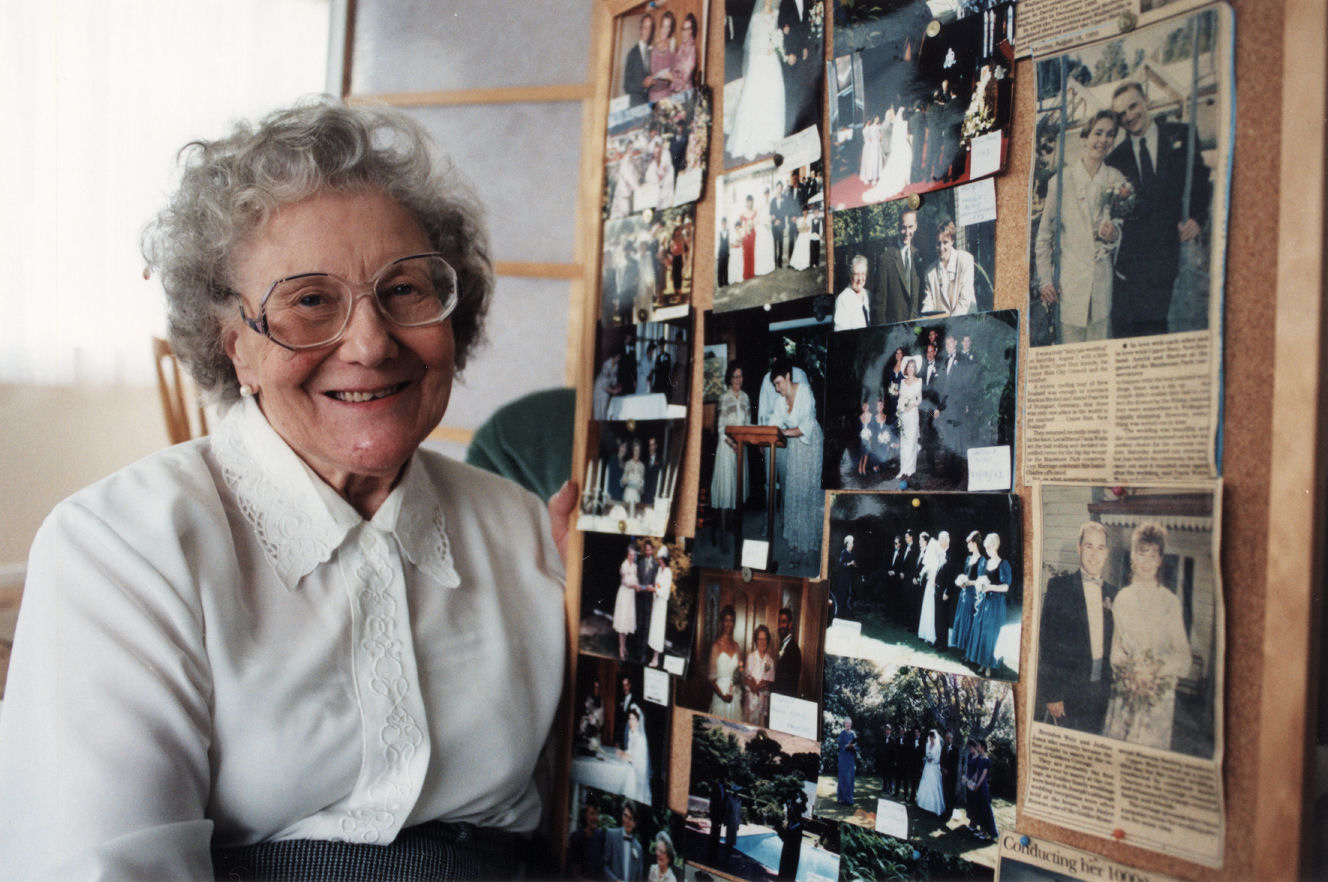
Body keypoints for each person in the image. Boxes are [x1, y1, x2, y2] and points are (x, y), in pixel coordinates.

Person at [0, 100, 578, 880]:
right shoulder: (122, 546)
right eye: (309, 301)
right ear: (234, 348)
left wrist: (603, 626)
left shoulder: (525, 533)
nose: (370, 344)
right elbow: (103, 866)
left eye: (405, 290)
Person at [1105, 81, 1212, 338]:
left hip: (1175, 249)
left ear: (1147, 101)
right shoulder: (1116, 159)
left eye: (1133, 106)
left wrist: (1197, 218)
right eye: (1122, 113)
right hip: (1135, 267)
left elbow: (1200, 180)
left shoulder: (1181, 135)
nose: (1130, 116)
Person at [1035, 109, 1127, 343]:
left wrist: (1115, 234)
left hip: (1101, 287)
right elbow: (1044, 237)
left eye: (1109, 134)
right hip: (1069, 287)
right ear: (1085, 137)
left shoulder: (1116, 179)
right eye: (1098, 132)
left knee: (1100, 350)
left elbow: (1121, 229)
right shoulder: (1060, 182)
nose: (1103, 140)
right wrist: (1046, 280)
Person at [1102, 522, 1192, 750]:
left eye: (1153, 556)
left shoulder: (1170, 603)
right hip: (1126, 695)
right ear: (1133, 556)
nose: (1146, 562)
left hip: (1156, 700)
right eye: (1141, 554)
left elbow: (1184, 661)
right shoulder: (1122, 599)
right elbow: (1115, 653)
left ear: (1160, 560)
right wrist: (1130, 672)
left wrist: (1152, 672)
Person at [1037, 521, 1117, 734]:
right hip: (1068, 695)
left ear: (1106, 553)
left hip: (1102, 695)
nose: (1094, 554)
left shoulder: (1114, 594)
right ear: (1079, 548)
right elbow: (1047, 644)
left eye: (1100, 547)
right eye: (1089, 546)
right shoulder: (1059, 587)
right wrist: (1053, 694)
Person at [771, 358, 824, 565]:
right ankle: (796, 540)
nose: (777, 389)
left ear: (788, 377)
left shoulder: (805, 392)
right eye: (775, 385)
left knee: (807, 492)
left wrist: (782, 432)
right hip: (795, 447)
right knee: (794, 491)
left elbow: (806, 427)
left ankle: (805, 544)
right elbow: (773, 425)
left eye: (778, 383)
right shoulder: (780, 401)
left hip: (811, 445)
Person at [728, 0, 786, 161]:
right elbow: (752, 42)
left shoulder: (777, 14)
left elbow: (778, 34)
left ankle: (772, 138)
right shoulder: (756, 18)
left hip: (772, 60)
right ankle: (754, 140)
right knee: (756, 97)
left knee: (775, 94)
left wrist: (776, 46)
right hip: (759, 60)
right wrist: (763, 50)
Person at [711, 363, 750, 551]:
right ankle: (723, 534)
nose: (738, 380)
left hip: (741, 449)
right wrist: (733, 445)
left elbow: (748, 425)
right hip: (727, 450)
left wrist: (743, 444)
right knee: (725, 492)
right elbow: (721, 429)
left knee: (737, 491)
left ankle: (734, 528)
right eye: (735, 376)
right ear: (729, 378)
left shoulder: (746, 397)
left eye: (740, 376)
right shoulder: (724, 398)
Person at [967, 532, 1012, 677]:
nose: (986, 550)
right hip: (984, 602)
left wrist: (990, 587)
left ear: (995, 546)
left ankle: (989, 666)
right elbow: (980, 580)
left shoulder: (1003, 564)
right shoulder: (985, 563)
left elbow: (1005, 587)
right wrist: (980, 587)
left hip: (996, 604)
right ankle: (982, 662)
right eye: (986, 547)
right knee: (981, 632)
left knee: (991, 634)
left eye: (988, 547)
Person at [873, 210, 923, 325]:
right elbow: (879, 304)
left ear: (916, 226)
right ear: (898, 227)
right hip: (894, 328)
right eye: (903, 228)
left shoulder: (918, 256)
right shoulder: (885, 258)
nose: (907, 232)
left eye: (910, 227)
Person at [921, 220, 975, 316]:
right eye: (938, 243)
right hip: (942, 322)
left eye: (945, 242)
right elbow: (928, 303)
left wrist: (950, 322)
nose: (941, 248)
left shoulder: (965, 260)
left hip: (966, 318)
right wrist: (925, 319)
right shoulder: (929, 272)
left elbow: (965, 300)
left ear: (952, 241)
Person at [864, 107, 913, 201]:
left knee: (891, 164)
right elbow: (902, 135)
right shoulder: (896, 124)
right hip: (896, 146)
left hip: (888, 146)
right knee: (903, 162)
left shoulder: (886, 124)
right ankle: (902, 179)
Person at [709, 605, 745, 719]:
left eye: (731, 620)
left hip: (734, 695)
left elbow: (740, 672)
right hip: (720, 695)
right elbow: (711, 679)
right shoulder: (716, 646)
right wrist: (722, 696)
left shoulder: (736, 646)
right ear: (722, 622)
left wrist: (740, 674)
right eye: (726, 620)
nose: (729, 624)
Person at [951, 531, 983, 655]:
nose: (967, 545)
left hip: (973, 595)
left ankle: (968, 652)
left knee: (969, 622)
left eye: (969, 543)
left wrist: (968, 582)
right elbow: (965, 574)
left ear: (974, 543)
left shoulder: (982, 560)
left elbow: (980, 580)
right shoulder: (968, 558)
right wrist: (961, 581)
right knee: (962, 620)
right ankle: (962, 647)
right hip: (964, 593)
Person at [743, 624, 777, 725]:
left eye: (765, 639)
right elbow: (744, 680)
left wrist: (765, 685)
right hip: (750, 702)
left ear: (768, 641)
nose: (762, 642)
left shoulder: (770, 661)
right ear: (756, 641)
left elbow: (771, 684)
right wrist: (751, 685)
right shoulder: (750, 657)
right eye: (759, 639)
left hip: (762, 704)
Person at [617, 706, 652, 804]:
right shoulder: (631, 733)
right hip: (632, 767)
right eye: (630, 719)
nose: (630, 722)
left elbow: (640, 760)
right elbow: (631, 751)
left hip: (639, 770)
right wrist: (623, 753)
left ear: (638, 721)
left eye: (633, 719)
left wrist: (628, 757)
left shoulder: (641, 739)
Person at [895, 357, 922, 480]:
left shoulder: (919, 381)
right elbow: (901, 397)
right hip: (903, 414)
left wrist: (912, 405)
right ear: (906, 368)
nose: (910, 369)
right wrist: (900, 407)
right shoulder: (903, 382)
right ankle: (902, 469)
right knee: (904, 441)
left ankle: (910, 470)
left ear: (915, 368)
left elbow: (919, 399)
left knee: (911, 442)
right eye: (909, 366)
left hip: (913, 413)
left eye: (912, 367)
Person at [604, 803, 645, 882]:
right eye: (625, 816)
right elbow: (604, 866)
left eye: (630, 818)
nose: (627, 821)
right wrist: (615, 881)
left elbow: (639, 877)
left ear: (635, 823)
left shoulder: (638, 848)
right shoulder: (611, 835)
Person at [613, 546, 641, 660]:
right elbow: (624, 581)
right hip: (624, 595)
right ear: (628, 555)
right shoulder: (624, 565)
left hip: (630, 596)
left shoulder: (635, 566)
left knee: (626, 622)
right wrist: (634, 585)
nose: (633, 557)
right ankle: (621, 648)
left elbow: (636, 580)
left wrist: (637, 585)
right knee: (622, 621)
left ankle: (624, 646)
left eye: (634, 555)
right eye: (631, 555)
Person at [647, 545, 672, 667]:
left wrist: (655, 590)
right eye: (659, 559)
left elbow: (664, 590)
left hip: (662, 605)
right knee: (653, 630)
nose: (660, 561)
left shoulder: (668, 572)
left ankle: (656, 659)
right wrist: (653, 596)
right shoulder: (659, 570)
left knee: (658, 630)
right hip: (656, 603)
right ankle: (653, 655)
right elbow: (657, 585)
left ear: (665, 560)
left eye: (662, 559)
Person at [569, 801, 608, 880]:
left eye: (597, 814)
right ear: (585, 816)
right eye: (592, 814)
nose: (595, 818)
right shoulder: (577, 837)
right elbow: (573, 874)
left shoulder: (601, 837)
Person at [645, 11, 678, 103]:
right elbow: (649, 71)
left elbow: (675, 71)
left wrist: (671, 76)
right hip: (653, 95)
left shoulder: (672, 48)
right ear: (660, 26)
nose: (665, 30)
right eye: (663, 26)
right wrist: (650, 78)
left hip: (667, 94)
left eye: (668, 27)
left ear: (671, 29)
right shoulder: (653, 48)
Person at [623, 14, 655, 107]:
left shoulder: (651, 51)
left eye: (650, 27)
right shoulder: (632, 54)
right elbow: (626, 86)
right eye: (645, 27)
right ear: (640, 29)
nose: (648, 30)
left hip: (649, 101)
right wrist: (643, 85)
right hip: (636, 104)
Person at [834, 254, 872, 330]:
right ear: (850, 275)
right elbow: (841, 332)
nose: (860, 279)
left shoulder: (869, 295)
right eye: (856, 274)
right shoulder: (843, 299)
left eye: (863, 274)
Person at [916, 730, 947, 817]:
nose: (931, 739)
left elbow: (938, 759)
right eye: (930, 737)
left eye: (932, 738)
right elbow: (926, 754)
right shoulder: (927, 745)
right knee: (925, 784)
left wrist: (932, 760)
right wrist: (927, 758)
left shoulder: (938, 747)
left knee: (933, 786)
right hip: (927, 767)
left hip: (934, 767)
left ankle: (933, 808)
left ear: (935, 738)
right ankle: (923, 805)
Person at [774, 607, 802, 696]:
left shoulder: (794, 649)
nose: (780, 626)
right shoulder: (783, 645)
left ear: (790, 624)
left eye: (783, 622)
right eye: (779, 622)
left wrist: (769, 685)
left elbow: (788, 680)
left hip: (786, 697)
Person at [670, 14, 699, 96]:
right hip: (675, 92)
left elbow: (683, 80)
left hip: (685, 93)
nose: (684, 32)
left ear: (692, 31)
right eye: (683, 29)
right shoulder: (681, 47)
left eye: (687, 29)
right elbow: (673, 68)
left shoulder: (692, 50)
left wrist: (671, 78)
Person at [594, 351, 622, 420]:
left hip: (607, 389)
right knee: (597, 412)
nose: (619, 359)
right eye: (618, 357)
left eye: (619, 357)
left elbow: (613, 380)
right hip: (599, 388)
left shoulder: (616, 366)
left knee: (604, 411)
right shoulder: (606, 365)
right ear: (614, 356)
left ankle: (603, 426)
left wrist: (617, 387)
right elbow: (604, 384)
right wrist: (613, 391)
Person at [836, 719, 858, 805]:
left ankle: (849, 799)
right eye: (847, 723)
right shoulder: (842, 733)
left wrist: (853, 746)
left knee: (850, 778)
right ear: (844, 724)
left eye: (850, 724)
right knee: (843, 778)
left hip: (850, 759)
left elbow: (857, 746)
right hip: (843, 758)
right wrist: (847, 745)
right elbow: (840, 746)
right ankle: (841, 798)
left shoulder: (853, 734)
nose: (848, 725)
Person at [622, 439, 647, 513]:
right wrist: (625, 480)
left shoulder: (642, 466)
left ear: (640, 452)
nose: (636, 452)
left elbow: (642, 485)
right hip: (628, 494)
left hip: (637, 495)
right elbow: (623, 482)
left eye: (638, 450)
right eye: (635, 450)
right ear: (633, 451)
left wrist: (641, 489)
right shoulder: (628, 463)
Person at [859, 116, 883, 185]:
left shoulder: (869, 128)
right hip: (871, 146)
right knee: (871, 161)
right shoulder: (871, 128)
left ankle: (870, 177)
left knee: (870, 162)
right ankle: (870, 177)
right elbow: (873, 138)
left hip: (870, 146)